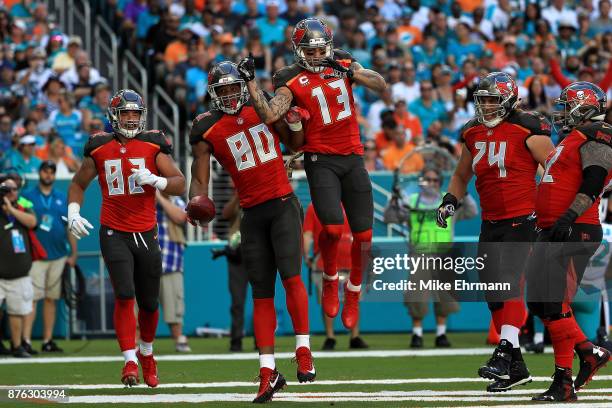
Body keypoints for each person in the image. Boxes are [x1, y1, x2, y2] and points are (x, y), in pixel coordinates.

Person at [237, 17, 386, 331]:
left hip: (353, 157)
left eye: (321, 50)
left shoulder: (343, 61)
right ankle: (331, 278)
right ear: (298, 51)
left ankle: (355, 291)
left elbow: (380, 84)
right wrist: (252, 83)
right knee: (331, 230)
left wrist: (355, 71)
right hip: (321, 159)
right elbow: (270, 114)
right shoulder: (289, 77)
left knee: (365, 237)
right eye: (310, 51)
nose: (317, 56)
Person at [189, 61, 315, 403]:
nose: (230, 94)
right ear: (214, 94)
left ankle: (303, 350)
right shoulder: (206, 129)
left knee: (291, 278)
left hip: (283, 203)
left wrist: (294, 123)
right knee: (261, 294)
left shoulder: (262, 106)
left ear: (242, 87)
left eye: (234, 87)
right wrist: (195, 202)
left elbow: (295, 145)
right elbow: (199, 179)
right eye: (223, 89)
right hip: (251, 214)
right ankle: (267, 372)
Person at [437, 71, 555, 392]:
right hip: (491, 221)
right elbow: (462, 176)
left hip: (523, 217)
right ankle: (516, 367)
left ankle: (503, 353)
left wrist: (551, 203)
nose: (487, 106)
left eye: (493, 100)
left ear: (509, 100)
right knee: (493, 295)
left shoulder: (528, 128)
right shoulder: (472, 133)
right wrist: (449, 202)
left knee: (511, 282)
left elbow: (555, 168)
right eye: (483, 100)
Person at [66, 89, 186, 387]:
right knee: (124, 294)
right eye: (125, 113)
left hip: (146, 232)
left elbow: (180, 183)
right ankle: (130, 361)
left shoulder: (153, 143)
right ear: (114, 116)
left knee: (149, 302)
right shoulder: (98, 146)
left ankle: (147, 353)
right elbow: (78, 183)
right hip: (113, 230)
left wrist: (157, 180)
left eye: (135, 113)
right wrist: (73, 211)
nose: (131, 119)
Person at [526, 82, 611, 402]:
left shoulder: (598, 136)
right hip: (554, 228)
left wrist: (566, 218)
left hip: (576, 228)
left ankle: (564, 380)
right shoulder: (569, 140)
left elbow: (593, 181)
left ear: (585, 108)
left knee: (553, 302)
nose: (561, 112)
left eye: (567, 106)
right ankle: (589, 353)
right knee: (540, 303)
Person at [403, 167, 477, 348]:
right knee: (416, 296)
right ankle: (417, 335)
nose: (431, 183)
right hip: (419, 253)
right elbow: (391, 216)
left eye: (435, 180)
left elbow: (472, 211)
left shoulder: (448, 201)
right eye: (427, 179)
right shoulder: (411, 201)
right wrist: (395, 199)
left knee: (445, 296)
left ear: (439, 183)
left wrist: (464, 192)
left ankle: (441, 334)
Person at [22, 160, 77, 354]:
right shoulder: (26, 197)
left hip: (58, 255)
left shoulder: (62, 197)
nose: (48, 175)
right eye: (45, 171)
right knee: (31, 299)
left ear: (54, 175)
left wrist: (74, 253)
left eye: (51, 172)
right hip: (36, 256)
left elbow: (69, 226)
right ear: (39, 173)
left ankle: (47, 340)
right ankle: (25, 340)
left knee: (51, 299)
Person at [302, 203, 369, 351]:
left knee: (352, 298)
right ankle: (330, 336)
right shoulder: (314, 207)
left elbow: (363, 232)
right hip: (324, 261)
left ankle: (354, 336)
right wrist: (306, 255)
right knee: (329, 300)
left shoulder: (352, 203)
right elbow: (307, 233)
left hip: (350, 260)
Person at [0, 176, 37, 357]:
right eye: (7, 189)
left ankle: (17, 346)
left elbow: (32, 222)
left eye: (14, 189)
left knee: (17, 311)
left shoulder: (22, 206)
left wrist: (11, 210)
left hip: (18, 272)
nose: (12, 192)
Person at [155, 190, 190, 353]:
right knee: (139, 306)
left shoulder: (176, 200)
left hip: (171, 262)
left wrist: (159, 198)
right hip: (147, 262)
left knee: (174, 307)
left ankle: (178, 339)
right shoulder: (143, 200)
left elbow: (181, 217)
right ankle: (137, 343)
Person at [218, 190, 249, 352]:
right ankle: (236, 340)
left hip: (256, 251)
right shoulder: (234, 198)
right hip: (237, 254)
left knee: (263, 298)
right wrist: (238, 195)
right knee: (237, 301)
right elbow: (225, 213)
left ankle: (262, 340)